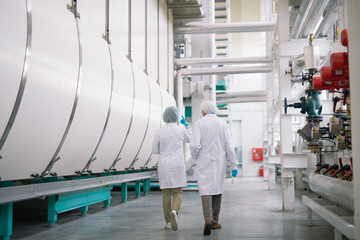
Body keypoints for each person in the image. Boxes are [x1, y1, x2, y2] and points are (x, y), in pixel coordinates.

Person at [190, 100, 238, 236]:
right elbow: (229, 145)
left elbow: (194, 145)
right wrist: (233, 164)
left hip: (203, 160)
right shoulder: (223, 123)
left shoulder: (199, 123)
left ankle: (207, 219)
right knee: (217, 189)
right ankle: (215, 221)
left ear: (203, 111)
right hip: (220, 162)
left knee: (205, 190)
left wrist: (195, 157)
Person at [152, 106, 191, 231]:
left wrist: (163, 151)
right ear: (177, 116)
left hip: (164, 163)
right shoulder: (180, 129)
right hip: (177, 163)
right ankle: (174, 211)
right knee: (178, 192)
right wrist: (187, 126)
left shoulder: (159, 131)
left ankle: (168, 222)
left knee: (166, 195)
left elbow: (154, 150)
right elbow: (189, 139)